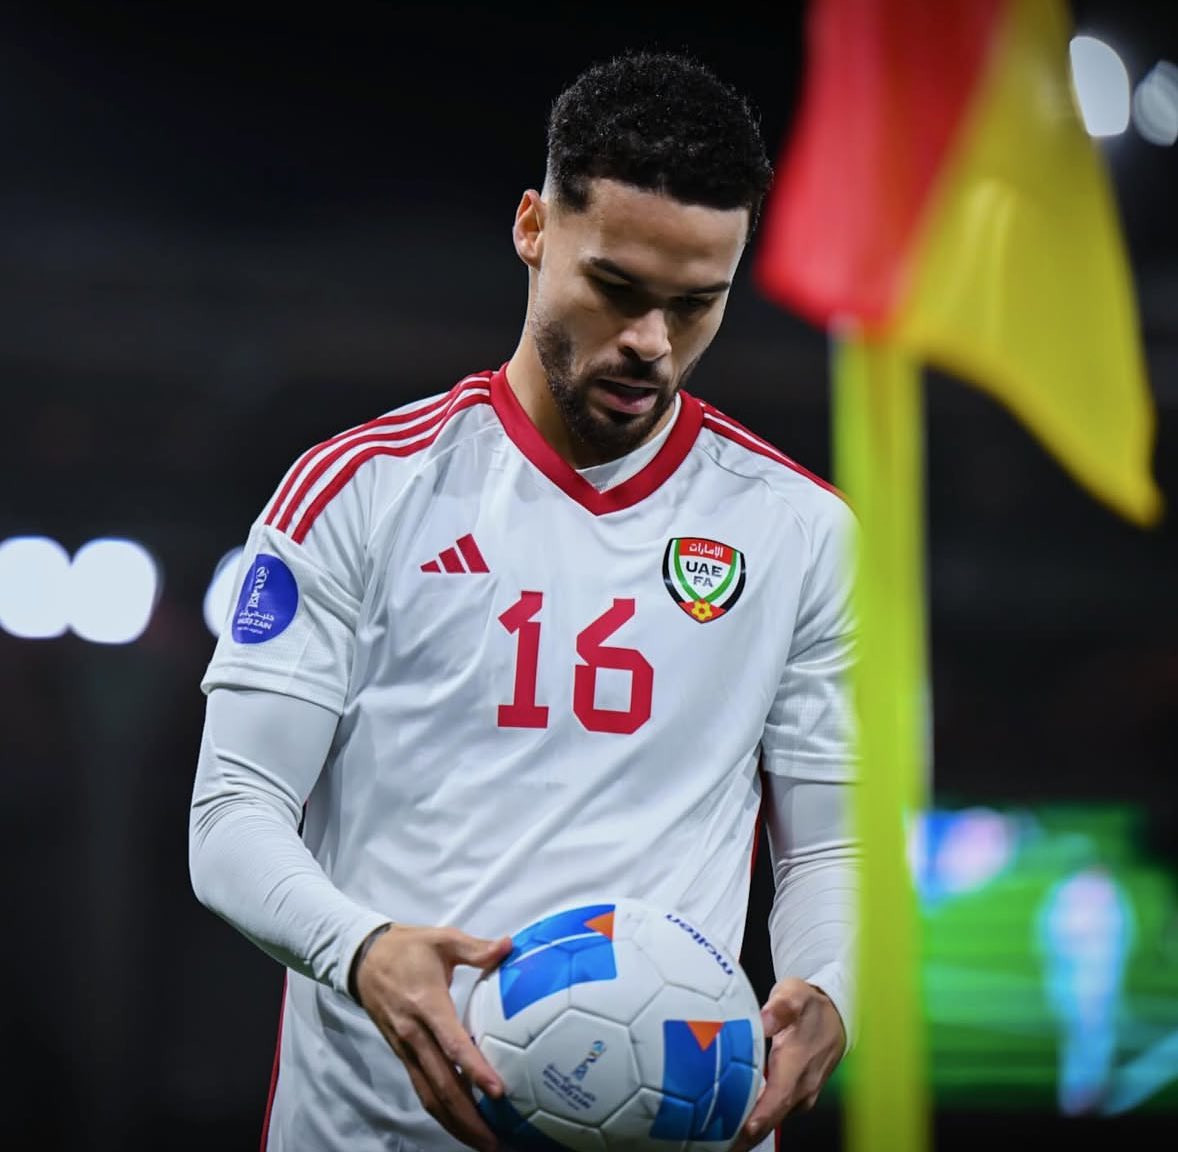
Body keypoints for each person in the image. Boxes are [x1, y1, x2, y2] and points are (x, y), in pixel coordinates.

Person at [190, 49, 858, 1152]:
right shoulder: (360, 491)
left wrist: (829, 987)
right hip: (377, 1130)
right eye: (618, 290)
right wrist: (362, 950)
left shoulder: (799, 531)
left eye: (696, 305)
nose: (651, 343)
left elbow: (830, 853)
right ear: (533, 228)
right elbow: (231, 816)